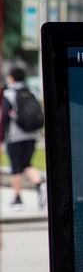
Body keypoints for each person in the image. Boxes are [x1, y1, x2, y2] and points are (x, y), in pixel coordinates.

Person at [1, 67, 46, 210]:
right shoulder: (31, 91)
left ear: (12, 78)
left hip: (15, 137)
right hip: (32, 135)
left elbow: (5, 118)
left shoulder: (9, 94)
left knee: (15, 167)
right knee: (26, 163)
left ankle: (18, 199)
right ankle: (40, 184)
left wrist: (1, 138)